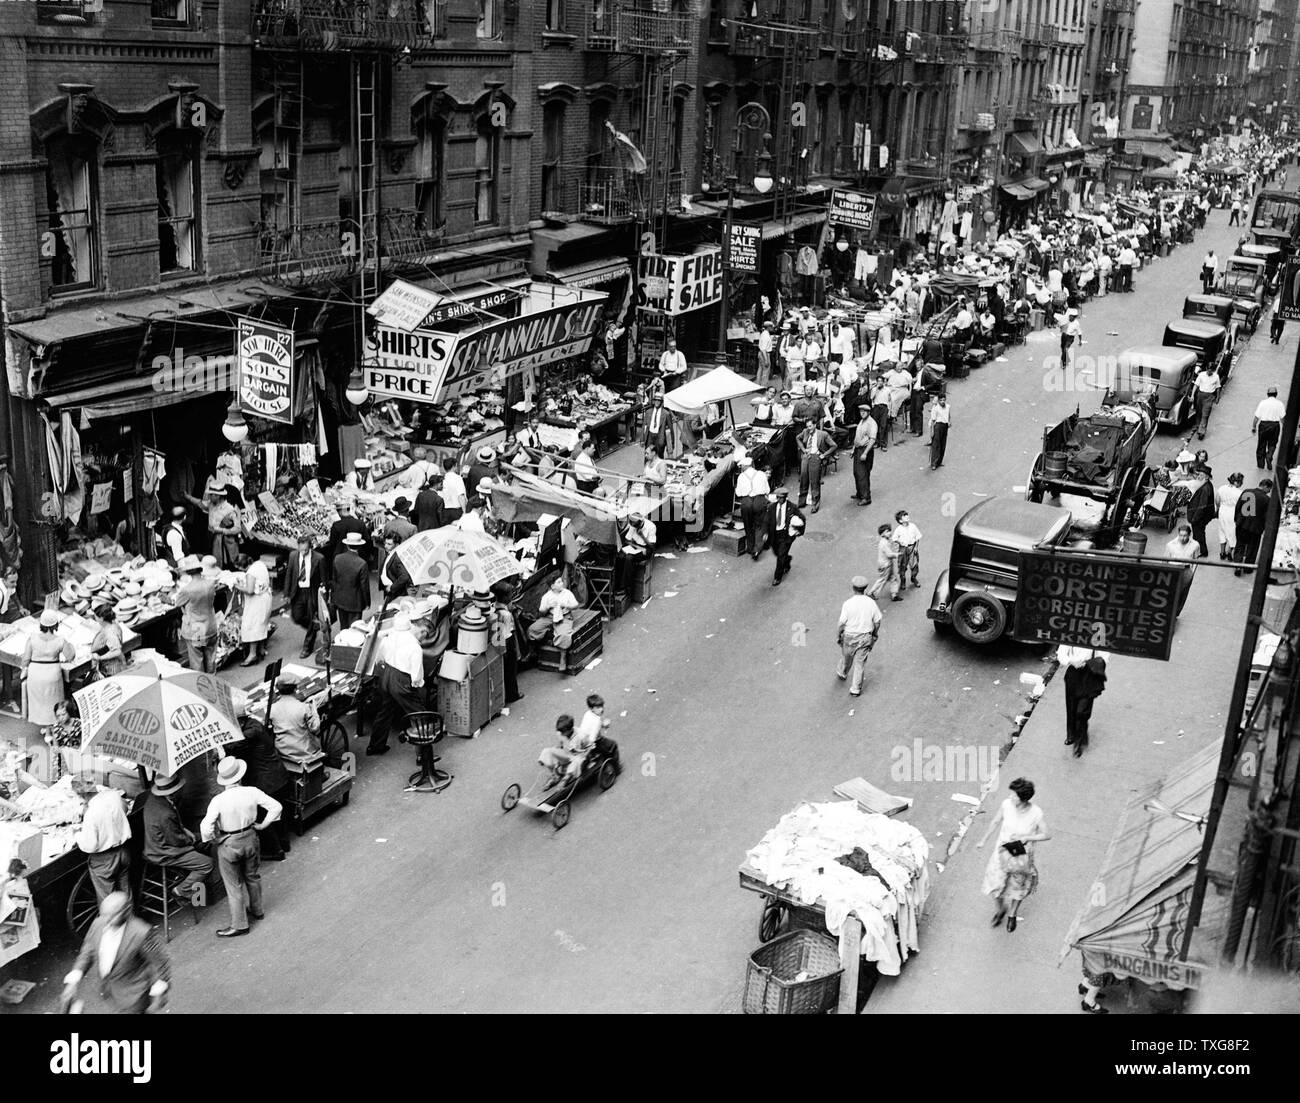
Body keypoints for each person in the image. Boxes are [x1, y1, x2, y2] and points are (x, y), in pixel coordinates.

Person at [200, 756, 282, 937]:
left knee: (233, 885)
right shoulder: (252, 791)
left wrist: (213, 839)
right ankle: (258, 909)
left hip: (229, 843)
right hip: (251, 838)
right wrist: (262, 825)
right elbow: (276, 807)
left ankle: (240, 924)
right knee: (252, 876)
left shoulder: (218, 800)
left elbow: (205, 827)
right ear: (240, 775)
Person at [61, 892, 170, 1014]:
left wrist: (159, 995)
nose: (107, 920)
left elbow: (160, 964)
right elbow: (88, 951)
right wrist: (73, 980)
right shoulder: (98, 924)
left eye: (112, 916)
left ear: (127, 911)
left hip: (134, 997)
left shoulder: (141, 933)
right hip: (111, 993)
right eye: (104, 915)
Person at [977, 777, 1051, 932]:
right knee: (995, 884)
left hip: (1021, 857)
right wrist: (983, 840)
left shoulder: (1036, 813)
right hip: (1001, 854)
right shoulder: (1006, 805)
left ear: (1023, 799)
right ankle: (1000, 909)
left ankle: (1012, 913)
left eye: (1014, 795)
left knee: (1018, 887)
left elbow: (1046, 834)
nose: (1010, 797)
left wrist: (1027, 838)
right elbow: (995, 821)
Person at [142, 772, 213, 896]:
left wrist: (185, 830)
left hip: (161, 843)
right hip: (163, 852)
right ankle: (181, 890)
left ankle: (201, 891)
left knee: (204, 839)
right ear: (171, 792)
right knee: (207, 864)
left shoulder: (154, 798)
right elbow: (176, 840)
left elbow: (173, 828)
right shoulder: (164, 814)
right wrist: (192, 841)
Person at [72, 774, 132, 904]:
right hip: (123, 851)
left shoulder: (91, 814)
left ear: (82, 796)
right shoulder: (113, 795)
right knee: (125, 892)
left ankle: (115, 923)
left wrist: (77, 833)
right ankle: (130, 919)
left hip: (104, 860)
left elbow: (90, 845)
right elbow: (125, 808)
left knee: (109, 902)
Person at [21, 609, 73, 724]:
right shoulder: (60, 640)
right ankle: (52, 728)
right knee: (54, 704)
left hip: (35, 675)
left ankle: (46, 730)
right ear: (56, 625)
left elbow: (25, 659)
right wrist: (70, 645)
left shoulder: (32, 639)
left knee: (39, 704)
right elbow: (70, 656)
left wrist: (24, 669)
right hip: (52, 675)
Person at [835, 576, 883, 697]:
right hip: (865, 638)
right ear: (865, 588)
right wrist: (874, 634)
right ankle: (855, 689)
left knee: (846, 656)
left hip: (849, 637)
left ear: (853, 588)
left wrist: (838, 635)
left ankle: (842, 672)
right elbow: (877, 621)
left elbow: (841, 624)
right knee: (859, 663)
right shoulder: (871, 603)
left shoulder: (848, 604)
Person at [174, 554, 218, 673]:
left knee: (197, 660)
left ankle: (201, 687)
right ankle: (212, 683)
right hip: (211, 625)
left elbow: (177, 603)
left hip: (197, 628)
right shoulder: (210, 584)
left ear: (188, 572)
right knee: (211, 659)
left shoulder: (187, 590)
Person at [268, 673, 322, 765]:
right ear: (295, 689)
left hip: (282, 751)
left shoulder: (272, 709)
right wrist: (314, 711)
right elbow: (315, 728)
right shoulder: (303, 707)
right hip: (305, 752)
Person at [527, 575, 580, 668]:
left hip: (564, 617)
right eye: (558, 582)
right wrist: (548, 606)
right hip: (549, 617)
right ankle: (532, 652)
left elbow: (576, 605)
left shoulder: (567, 593)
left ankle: (563, 658)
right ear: (552, 586)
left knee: (564, 635)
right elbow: (541, 611)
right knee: (532, 629)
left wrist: (566, 605)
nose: (562, 583)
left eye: (561, 581)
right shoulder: (547, 596)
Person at [285, 535, 324, 658]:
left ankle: (307, 647)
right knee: (297, 616)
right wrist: (286, 593)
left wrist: (323, 593)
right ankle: (313, 627)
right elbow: (289, 574)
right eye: (301, 550)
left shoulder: (319, 558)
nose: (303, 552)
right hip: (298, 591)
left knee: (312, 615)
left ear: (310, 548)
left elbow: (324, 578)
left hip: (311, 591)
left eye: (306, 550)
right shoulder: (293, 556)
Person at [236, 554, 272, 668]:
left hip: (257, 601)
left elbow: (250, 590)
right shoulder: (260, 564)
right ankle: (261, 649)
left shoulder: (250, 572)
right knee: (262, 624)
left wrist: (237, 586)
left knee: (252, 626)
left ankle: (252, 654)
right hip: (266, 597)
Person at [489, 584, 523, 704]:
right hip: (507, 642)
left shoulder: (493, 608)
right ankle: (513, 694)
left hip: (496, 641)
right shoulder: (507, 615)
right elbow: (510, 634)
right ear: (505, 597)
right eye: (510, 594)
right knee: (510, 670)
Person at [766, 486, 804, 587]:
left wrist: (800, 532)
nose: (778, 500)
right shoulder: (772, 507)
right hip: (775, 535)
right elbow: (767, 521)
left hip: (786, 535)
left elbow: (802, 518)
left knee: (780, 556)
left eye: (781, 498)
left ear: (785, 497)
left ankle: (777, 577)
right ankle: (787, 560)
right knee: (777, 552)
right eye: (777, 497)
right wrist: (765, 533)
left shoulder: (792, 507)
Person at [796, 419, 836, 513]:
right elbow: (797, 438)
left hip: (816, 457)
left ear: (815, 425)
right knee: (803, 479)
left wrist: (824, 455)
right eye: (807, 426)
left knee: (814, 481)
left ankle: (815, 504)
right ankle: (802, 502)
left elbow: (834, 445)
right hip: (806, 456)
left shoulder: (823, 434)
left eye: (810, 426)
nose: (808, 428)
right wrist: (803, 449)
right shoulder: (805, 431)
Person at [331, 531, 369, 629]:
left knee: (343, 627)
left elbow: (334, 580)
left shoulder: (337, 559)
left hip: (340, 600)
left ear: (347, 545)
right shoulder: (362, 563)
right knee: (355, 629)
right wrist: (367, 602)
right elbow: (364, 586)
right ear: (359, 546)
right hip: (355, 602)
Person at [1234, 478, 1273, 575]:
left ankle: (1238, 565)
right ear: (1265, 486)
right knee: (1252, 548)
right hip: (1255, 528)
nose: (1269, 491)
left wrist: (1237, 520)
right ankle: (1248, 567)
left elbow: (1238, 507)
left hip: (1242, 524)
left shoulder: (1246, 492)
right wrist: (1264, 528)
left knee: (1240, 545)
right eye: (1269, 489)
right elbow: (1266, 516)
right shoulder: (1267, 500)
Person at [735, 457, 770, 560]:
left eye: (741, 466)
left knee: (748, 525)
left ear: (746, 466)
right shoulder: (761, 474)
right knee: (759, 525)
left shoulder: (741, 476)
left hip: (746, 502)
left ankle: (750, 547)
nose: (741, 468)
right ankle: (757, 549)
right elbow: (767, 490)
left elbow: (738, 493)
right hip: (759, 501)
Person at [539, 714, 589, 781]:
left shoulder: (581, 735)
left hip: (576, 757)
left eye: (563, 733)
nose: (561, 734)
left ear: (570, 729)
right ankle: (554, 776)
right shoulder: (560, 733)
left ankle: (566, 779)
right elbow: (560, 745)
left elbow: (588, 747)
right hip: (566, 754)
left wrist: (583, 754)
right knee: (547, 751)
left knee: (577, 760)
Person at [617, 512, 657, 594]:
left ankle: (626, 588)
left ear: (641, 523)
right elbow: (627, 540)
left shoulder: (651, 526)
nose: (634, 528)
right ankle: (617, 584)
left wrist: (642, 536)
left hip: (647, 548)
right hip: (637, 546)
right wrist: (638, 547)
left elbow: (652, 547)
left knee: (629, 558)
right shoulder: (633, 525)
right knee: (620, 555)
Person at [90, 604, 129, 678]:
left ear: (101, 618)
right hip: (113, 666)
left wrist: (100, 658)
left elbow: (117, 651)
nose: (95, 618)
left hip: (112, 669)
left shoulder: (111, 632)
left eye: (96, 616)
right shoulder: (112, 625)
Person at [1252, 386, 1286, 470]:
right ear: (1276, 394)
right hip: (1275, 426)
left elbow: (1256, 416)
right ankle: (1269, 455)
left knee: (1261, 445)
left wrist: (1254, 427)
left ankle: (1260, 465)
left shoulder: (1263, 403)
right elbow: (1282, 418)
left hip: (1263, 425)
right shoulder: (1280, 403)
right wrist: (1285, 428)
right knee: (1272, 443)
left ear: (1267, 394)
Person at [1185, 472, 1216, 559]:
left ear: (1206, 477)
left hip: (1200, 517)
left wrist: (1195, 518)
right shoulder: (1207, 485)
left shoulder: (1205, 489)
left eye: (1201, 475)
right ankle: (1198, 550)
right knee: (1198, 533)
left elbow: (1202, 506)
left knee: (1198, 534)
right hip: (1204, 515)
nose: (1198, 477)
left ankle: (1202, 551)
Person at [850, 404, 877, 505]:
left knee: (863, 474)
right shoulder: (861, 421)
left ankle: (866, 497)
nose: (862, 413)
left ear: (868, 412)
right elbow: (857, 437)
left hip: (865, 450)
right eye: (861, 412)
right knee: (856, 473)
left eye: (864, 412)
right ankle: (859, 493)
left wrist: (865, 453)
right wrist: (853, 449)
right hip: (858, 449)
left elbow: (872, 440)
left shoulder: (872, 423)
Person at [869, 523, 902, 602]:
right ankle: (870, 592)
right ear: (882, 534)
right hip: (885, 565)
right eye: (887, 531)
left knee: (893, 579)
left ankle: (894, 595)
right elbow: (889, 554)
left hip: (886, 564)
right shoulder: (884, 543)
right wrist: (897, 555)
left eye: (890, 531)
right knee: (882, 580)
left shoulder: (885, 541)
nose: (890, 533)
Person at [1216, 472, 1245, 560]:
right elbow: (1241, 506)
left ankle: (1222, 552)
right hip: (1233, 513)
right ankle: (1229, 551)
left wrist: (1218, 508)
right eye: (1241, 482)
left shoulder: (1222, 488)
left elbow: (1217, 500)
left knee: (1222, 531)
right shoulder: (1240, 493)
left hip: (1222, 511)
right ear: (1236, 482)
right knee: (1232, 533)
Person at [892, 510, 922, 590]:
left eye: (907, 515)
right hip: (903, 549)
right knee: (902, 565)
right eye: (905, 516)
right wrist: (900, 542)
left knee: (914, 564)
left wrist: (916, 547)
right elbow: (894, 538)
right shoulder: (899, 529)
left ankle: (913, 577)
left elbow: (917, 537)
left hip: (912, 547)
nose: (907, 516)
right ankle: (903, 581)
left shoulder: (913, 526)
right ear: (901, 520)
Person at [379, 531, 413, 599]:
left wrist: (392, 587)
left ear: (397, 545)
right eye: (385, 543)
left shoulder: (397, 557)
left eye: (389, 544)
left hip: (396, 593)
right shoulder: (390, 553)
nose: (385, 546)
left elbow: (405, 576)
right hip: (390, 591)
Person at [1192, 364, 1222, 440]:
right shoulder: (1201, 375)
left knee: (1205, 414)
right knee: (1199, 412)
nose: (1209, 371)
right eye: (1208, 369)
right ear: (1206, 368)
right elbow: (1196, 385)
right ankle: (1198, 426)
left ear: (1214, 370)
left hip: (1209, 397)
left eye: (1211, 370)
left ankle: (1202, 432)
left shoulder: (1216, 377)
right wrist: (1192, 395)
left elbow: (1218, 387)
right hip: (1200, 395)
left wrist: (1218, 397)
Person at [440, 457, 467, 523]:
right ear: (454, 466)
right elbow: (461, 495)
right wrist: (464, 511)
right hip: (456, 510)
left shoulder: (441, 478)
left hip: (444, 510)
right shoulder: (458, 478)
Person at [929, 393, 951, 469]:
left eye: (944, 400)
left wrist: (949, 422)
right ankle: (933, 463)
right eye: (941, 400)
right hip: (938, 426)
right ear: (938, 401)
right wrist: (932, 431)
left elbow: (948, 415)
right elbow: (933, 420)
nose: (942, 402)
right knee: (936, 445)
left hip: (945, 426)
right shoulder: (936, 408)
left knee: (943, 444)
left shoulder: (947, 406)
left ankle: (939, 462)